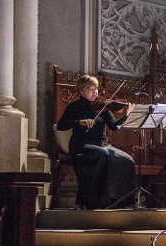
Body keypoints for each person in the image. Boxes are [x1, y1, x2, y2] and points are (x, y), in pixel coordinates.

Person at [56, 74, 137, 209]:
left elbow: (114, 127)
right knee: (103, 155)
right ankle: (98, 201)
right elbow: (61, 126)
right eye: (91, 89)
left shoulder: (102, 107)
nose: (95, 92)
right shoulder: (74, 107)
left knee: (127, 159)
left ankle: (122, 201)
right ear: (81, 91)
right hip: (81, 145)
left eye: (96, 89)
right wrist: (78, 122)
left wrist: (126, 115)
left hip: (102, 144)